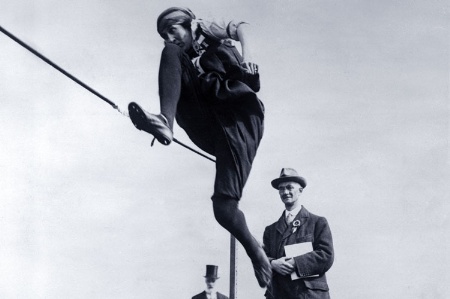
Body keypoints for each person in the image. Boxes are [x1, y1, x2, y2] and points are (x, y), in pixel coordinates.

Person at [127, 7, 271, 287]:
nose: (171, 37)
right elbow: (176, 60)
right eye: (164, 34)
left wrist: (249, 56)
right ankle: (164, 121)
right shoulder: (180, 54)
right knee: (171, 54)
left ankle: (255, 251)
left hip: (239, 121)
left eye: (174, 30)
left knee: (224, 209)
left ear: (188, 25)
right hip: (208, 123)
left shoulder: (203, 28)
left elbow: (243, 26)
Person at [263, 168, 334, 299]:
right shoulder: (270, 230)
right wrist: (273, 263)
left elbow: (326, 255)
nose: (285, 192)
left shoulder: (317, 222)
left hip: (308, 295)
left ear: (300, 191)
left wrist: (295, 262)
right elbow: (261, 257)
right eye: (281, 189)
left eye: (289, 187)